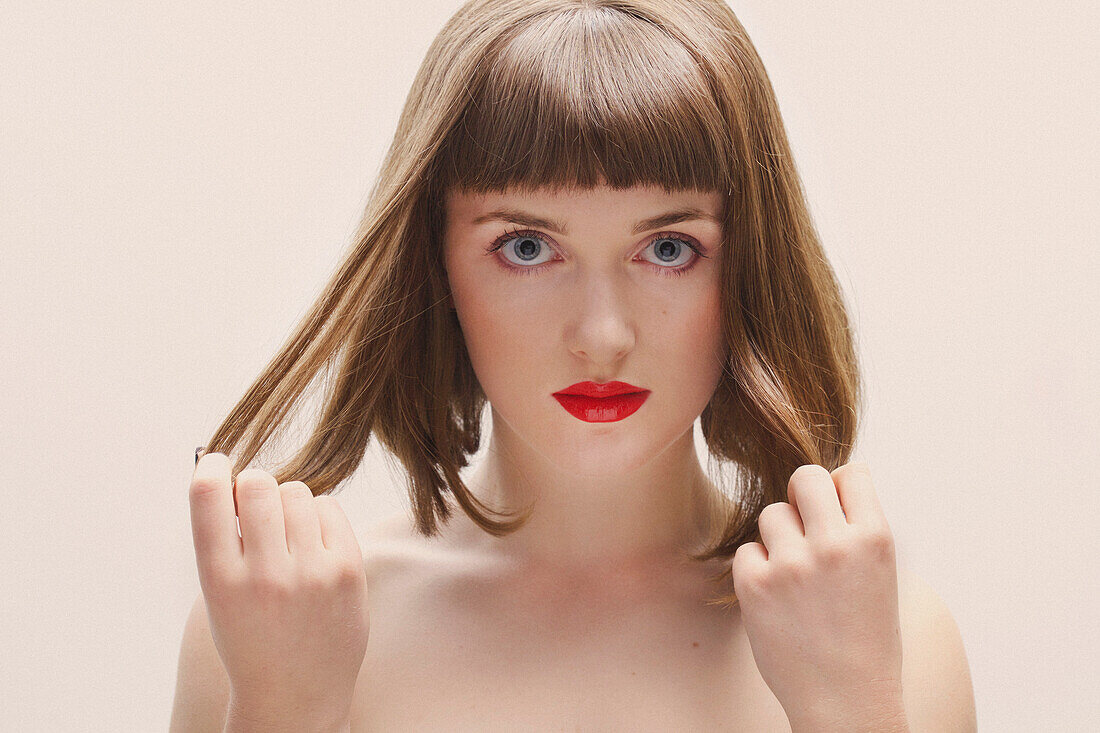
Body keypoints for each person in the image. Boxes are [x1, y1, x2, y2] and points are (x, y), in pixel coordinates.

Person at [171, 1, 977, 731]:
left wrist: (849, 707)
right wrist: (284, 711)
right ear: (435, 266)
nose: (602, 335)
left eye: (669, 248)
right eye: (527, 247)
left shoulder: (886, 645)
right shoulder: (267, 634)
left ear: (751, 268)